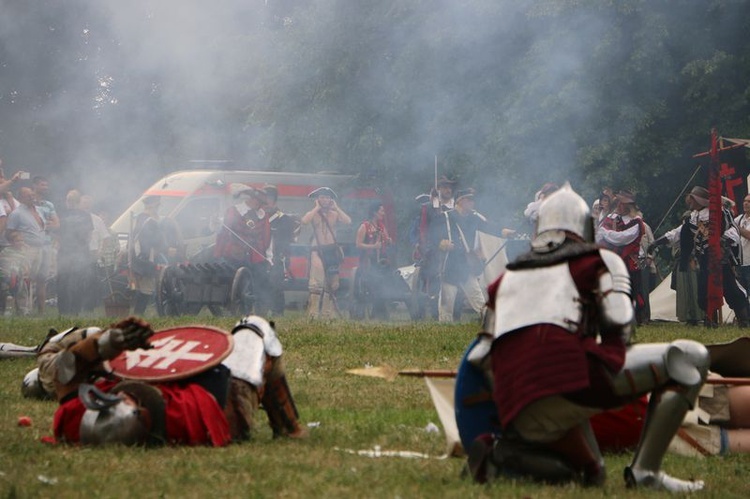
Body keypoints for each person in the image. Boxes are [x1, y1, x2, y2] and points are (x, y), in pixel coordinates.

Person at [464, 183, 708, 492]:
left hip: (517, 407)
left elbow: (480, 356)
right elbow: (621, 324)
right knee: (690, 356)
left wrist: (514, 409)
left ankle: (502, 455)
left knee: (593, 476)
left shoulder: (507, 276)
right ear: (587, 227)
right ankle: (646, 473)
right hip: (573, 382)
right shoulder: (600, 261)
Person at [22, 315, 307, 446]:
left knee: (79, 354)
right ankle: (290, 428)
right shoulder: (181, 421)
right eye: (129, 401)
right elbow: (201, 382)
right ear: (144, 416)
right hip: (224, 399)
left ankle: (41, 377)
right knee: (255, 327)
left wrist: (111, 341)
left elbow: (65, 370)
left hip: (162, 378)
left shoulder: (76, 420)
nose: (123, 396)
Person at [650, 186, 750, 327]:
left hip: (720, 258)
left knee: (730, 288)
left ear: (699, 200)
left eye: (692, 199)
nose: (690, 202)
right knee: (704, 290)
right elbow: (678, 232)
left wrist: (722, 241)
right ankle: (711, 320)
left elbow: (732, 230)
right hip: (704, 259)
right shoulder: (693, 217)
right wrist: (658, 241)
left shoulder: (719, 213)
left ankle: (744, 320)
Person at [432, 188, 489, 322]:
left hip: (466, 265)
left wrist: (504, 232)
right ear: (461, 201)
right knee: (447, 301)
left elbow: (490, 228)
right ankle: (445, 327)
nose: (472, 204)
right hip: (450, 264)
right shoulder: (445, 217)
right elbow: (432, 236)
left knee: (478, 299)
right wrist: (441, 243)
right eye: (470, 200)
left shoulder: (474, 218)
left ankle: (489, 323)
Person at [214, 184, 271, 315]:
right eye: (260, 202)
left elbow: (266, 238)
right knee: (230, 277)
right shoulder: (234, 211)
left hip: (254, 255)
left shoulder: (263, 216)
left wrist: (265, 255)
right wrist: (219, 252)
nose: (261, 206)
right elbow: (223, 233)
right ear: (253, 200)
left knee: (261, 278)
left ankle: (258, 307)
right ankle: (230, 304)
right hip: (234, 253)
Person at [596, 190, 647, 324]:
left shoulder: (636, 222)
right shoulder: (611, 218)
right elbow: (599, 237)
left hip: (629, 261)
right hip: (614, 261)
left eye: (622, 203)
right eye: (618, 202)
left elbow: (622, 238)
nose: (619, 205)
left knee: (633, 289)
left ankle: (636, 318)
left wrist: (605, 233)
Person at [300, 187, 351, 318]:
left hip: (331, 250)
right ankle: (313, 314)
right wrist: (316, 208)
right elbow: (304, 221)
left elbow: (348, 221)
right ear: (318, 199)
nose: (325, 200)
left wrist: (337, 207)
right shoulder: (313, 213)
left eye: (327, 197)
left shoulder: (335, 214)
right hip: (317, 250)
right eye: (322, 197)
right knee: (316, 284)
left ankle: (327, 314)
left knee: (332, 285)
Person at [6, 187, 50, 314]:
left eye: (32, 194)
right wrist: (20, 245)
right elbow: (9, 233)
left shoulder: (39, 210)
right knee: (25, 280)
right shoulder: (17, 213)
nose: (32, 197)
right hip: (28, 249)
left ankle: (41, 311)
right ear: (20, 198)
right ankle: (24, 310)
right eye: (28, 196)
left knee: (42, 279)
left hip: (43, 248)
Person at [263, 184, 301, 316]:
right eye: (264, 197)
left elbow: (286, 240)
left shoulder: (283, 219)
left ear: (273, 199)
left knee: (275, 286)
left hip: (277, 257)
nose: (265, 200)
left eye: (268, 197)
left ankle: (277, 313)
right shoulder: (259, 216)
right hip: (260, 257)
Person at [351, 201, 392, 320]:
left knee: (386, 277)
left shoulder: (381, 226)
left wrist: (388, 240)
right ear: (375, 212)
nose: (383, 213)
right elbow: (358, 244)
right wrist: (373, 247)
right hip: (368, 262)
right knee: (375, 280)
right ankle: (375, 309)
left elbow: (387, 240)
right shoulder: (364, 226)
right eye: (381, 211)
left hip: (381, 262)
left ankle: (379, 309)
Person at [56, 190, 94, 316]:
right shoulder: (85, 216)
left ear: (69, 202)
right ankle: (74, 311)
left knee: (64, 282)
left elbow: (57, 234)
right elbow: (89, 236)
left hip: (67, 252)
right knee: (75, 282)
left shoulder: (61, 215)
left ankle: (64, 311)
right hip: (78, 253)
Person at [129, 196, 168, 315]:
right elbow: (160, 243)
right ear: (153, 206)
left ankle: (137, 315)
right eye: (158, 206)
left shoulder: (140, 219)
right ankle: (138, 316)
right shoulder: (151, 222)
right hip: (147, 260)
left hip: (137, 260)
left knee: (142, 290)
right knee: (147, 290)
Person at [734, 194, 750, 291]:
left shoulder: (737, 222)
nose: (746, 203)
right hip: (739, 264)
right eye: (745, 201)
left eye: (749, 202)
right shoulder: (739, 218)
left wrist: (735, 226)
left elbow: (748, 235)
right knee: (742, 296)